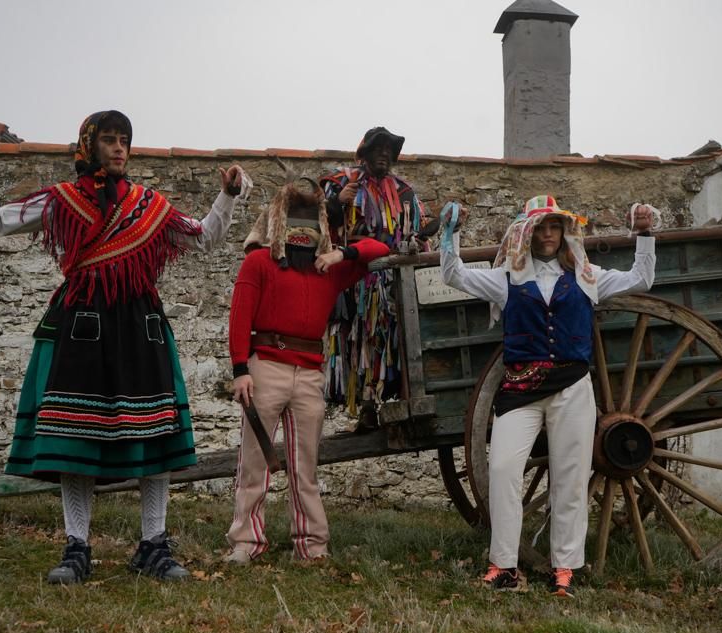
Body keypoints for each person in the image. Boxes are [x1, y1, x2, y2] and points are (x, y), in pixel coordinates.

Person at [0, 111, 248, 583]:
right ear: (88, 146)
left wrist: (227, 196)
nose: (118, 148)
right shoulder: (62, 201)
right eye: (109, 140)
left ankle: (153, 545)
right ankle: (77, 547)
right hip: (82, 325)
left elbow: (204, 238)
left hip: (140, 326)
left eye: (124, 141)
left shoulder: (150, 207)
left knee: (155, 434)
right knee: (76, 434)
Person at [440, 195, 657, 596]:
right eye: (540, 228)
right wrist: (451, 232)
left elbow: (640, 280)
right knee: (504, 469)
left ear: (564, 232)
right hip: (520, 391)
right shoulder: (507, 280)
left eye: (554, 227)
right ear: (526, 233)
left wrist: (644, 236)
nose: (547, 235)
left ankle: (565, 569)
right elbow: (453, 275)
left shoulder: (587, 277)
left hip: (572, 390)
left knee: (571, 479)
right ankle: (503, 565)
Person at [224, 178, 390, 563]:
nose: (303, 231)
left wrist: (341, 254)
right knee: (254, 463)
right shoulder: (258, 262)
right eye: (295, 220)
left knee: (305, 468)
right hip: (265, 367)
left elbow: (381, 249)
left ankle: (311, 546)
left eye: (310, 222)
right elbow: (239, 318)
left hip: (310, 373)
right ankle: (246, 543)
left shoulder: (327, 269)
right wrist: (240, 371)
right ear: (280, 222)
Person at [319, 127, 428, 428]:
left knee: (392, 339)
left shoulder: (405, 192)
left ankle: (397, 395)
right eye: (377, 148)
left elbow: (415, 233)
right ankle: (366, 406)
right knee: (358, 340)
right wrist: (336, 203)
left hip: (393, 280)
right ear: (364, 152)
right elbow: (319, 227)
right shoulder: (343, 183)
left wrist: (418, 243)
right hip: (354, 277)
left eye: (388, 149)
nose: (383, 154)